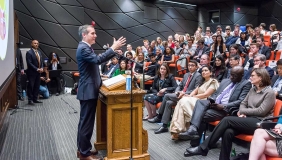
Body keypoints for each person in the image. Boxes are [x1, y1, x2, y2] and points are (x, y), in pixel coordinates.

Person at [185, 68, 276, 160]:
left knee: (227, 120)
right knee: (228, 132)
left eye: (252, 76)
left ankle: (203, 148)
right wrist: (243, 111)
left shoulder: (269, 92)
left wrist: (244, 111)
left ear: (260, 77)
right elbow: (243, 103)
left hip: (260, 122)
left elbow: (261, 111)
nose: (250, 77)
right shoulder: (253, 90)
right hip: (247, 119)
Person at [76, 24, 125, 160]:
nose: (95, 35)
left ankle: (82, 149)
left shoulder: (86, 48)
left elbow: (96, 61)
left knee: (84, 122)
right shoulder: (83, 48)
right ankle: (84, 154)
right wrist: (113, 48)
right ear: (84, 35)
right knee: (86, 123)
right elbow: (97, 60)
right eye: (93, 33)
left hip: (89, 90)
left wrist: (113, 52)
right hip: (88, 91)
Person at [179, 66, 251, 146]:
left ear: (242, 75)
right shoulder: (225, 81)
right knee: (200, 102)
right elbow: (216, 94)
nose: (231, 77)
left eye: (234, 75)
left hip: (226, 110)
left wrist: (223, 106)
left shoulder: (246, 84)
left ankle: (194, 139)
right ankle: (193, 130)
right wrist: (211, 100)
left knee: (201, 115)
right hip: (215, 106)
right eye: (231, 74)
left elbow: (241, 101)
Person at [148, 60, 201, 133]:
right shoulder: (186, 74)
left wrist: (183, 92)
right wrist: (177, 91)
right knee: (169, 103)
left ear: (196, 67)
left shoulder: (198, 76)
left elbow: (196, 89)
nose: (190, 67)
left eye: (192, 65)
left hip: (188, 97)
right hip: (180, 94)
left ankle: (159, 116)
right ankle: (164, 126)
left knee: (166, 95)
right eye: (189, 65)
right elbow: (180, 85)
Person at [169, 65, 219, 139]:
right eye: (202, 71)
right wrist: (189, 96)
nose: (203, 72)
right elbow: (194, 91)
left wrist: (192, 97)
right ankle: (179, 130)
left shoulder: (213, 81)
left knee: (183, 101)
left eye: (206, 70)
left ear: (211, 73)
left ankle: (178, 128)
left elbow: (206, 94)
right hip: (196, 99)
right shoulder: (202, 82)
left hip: (203, 102)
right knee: (182, 101)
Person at [26, 40, 43, 105]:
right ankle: (30, 100)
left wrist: (41, 67)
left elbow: (41, 61)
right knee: (31, 86)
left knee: (37, 86)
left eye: (37, 43)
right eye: (35, 43)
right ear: (31, 44)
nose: (36, 44)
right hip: (32, 72)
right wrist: (37, 69)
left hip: (38, 73)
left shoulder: (39, 52)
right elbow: (29, 63)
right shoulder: (29, 53)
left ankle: (35, 99)